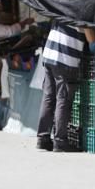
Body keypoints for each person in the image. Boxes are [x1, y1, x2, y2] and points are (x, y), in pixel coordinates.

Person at [36, 21, 85, 152]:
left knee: (48, 97)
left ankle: (42, 139)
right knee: (62, 98)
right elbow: (91, 37)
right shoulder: (83, 8)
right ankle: (60, 141)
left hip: (49, 53)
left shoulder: (63, 3)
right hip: (65, 58)